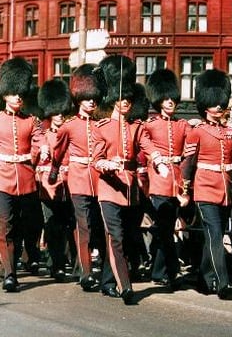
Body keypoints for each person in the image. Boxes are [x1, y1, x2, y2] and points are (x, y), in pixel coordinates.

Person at [92, 55, 170, 305]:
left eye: (129, 99)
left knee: (122, 238)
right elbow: (96, 158)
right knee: (115, 236)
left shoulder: (136, 127)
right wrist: (107, 165)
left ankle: (106, 282)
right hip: (108, 188)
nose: (126, 102)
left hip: (130, 189)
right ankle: (125, 286)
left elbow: (147, 145)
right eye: (121, 98)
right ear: (114, 100)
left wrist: (158, 160)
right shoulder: (102, 127)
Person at [181, 68, 232, 300]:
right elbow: (188, 163)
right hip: (204, 188)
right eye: (214, 102)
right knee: (216, 234)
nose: (219, 106)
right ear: (205, 104)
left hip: (225, 190)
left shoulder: (229, 133)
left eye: (221, 102)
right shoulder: (197, 132)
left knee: (213, 236)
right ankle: (223, 283)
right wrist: (184, 189)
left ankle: (204, 278)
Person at [49, 64, 112, 294]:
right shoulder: (68, 126)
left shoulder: (101, 125)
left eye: (94, 98)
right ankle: (86, 274)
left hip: (99, 180)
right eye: (87, 98)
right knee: (84, 226)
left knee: (100, 226)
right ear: (79, 98)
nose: (91, 102)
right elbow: (58, 152)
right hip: (77, 180)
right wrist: (54, 173)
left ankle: (100, 270)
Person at [0, 57, 46, 292]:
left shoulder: (31, 120)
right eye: (13, 92)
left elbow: (39, 141)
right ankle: (10, 274)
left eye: (20, 92)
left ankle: (12, 262)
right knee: (5, 227)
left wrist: (40, 151)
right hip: (2, 180)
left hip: (26, 181)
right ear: (5, 92)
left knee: (23, 227)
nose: (18, 96)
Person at [144, 68, 191, 290]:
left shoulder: (183, 125)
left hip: (177, 181)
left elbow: (189, 153)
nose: (171, 102)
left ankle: (160, 271)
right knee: (164, 229)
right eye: (166, 98)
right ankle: (168, 272)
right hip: (158, 180)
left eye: (173, 97)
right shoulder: (150, 125)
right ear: (159, 100)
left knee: (167, 228)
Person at [36, 79, 73, 282]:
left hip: (69, 184)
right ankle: (55, 264)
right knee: (52, 226)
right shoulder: (44, 135)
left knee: (68, 225)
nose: (60, 115)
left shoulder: (70, 133)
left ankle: (69, 262)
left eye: (62, 112)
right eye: (56, 112)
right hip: (49, 186)